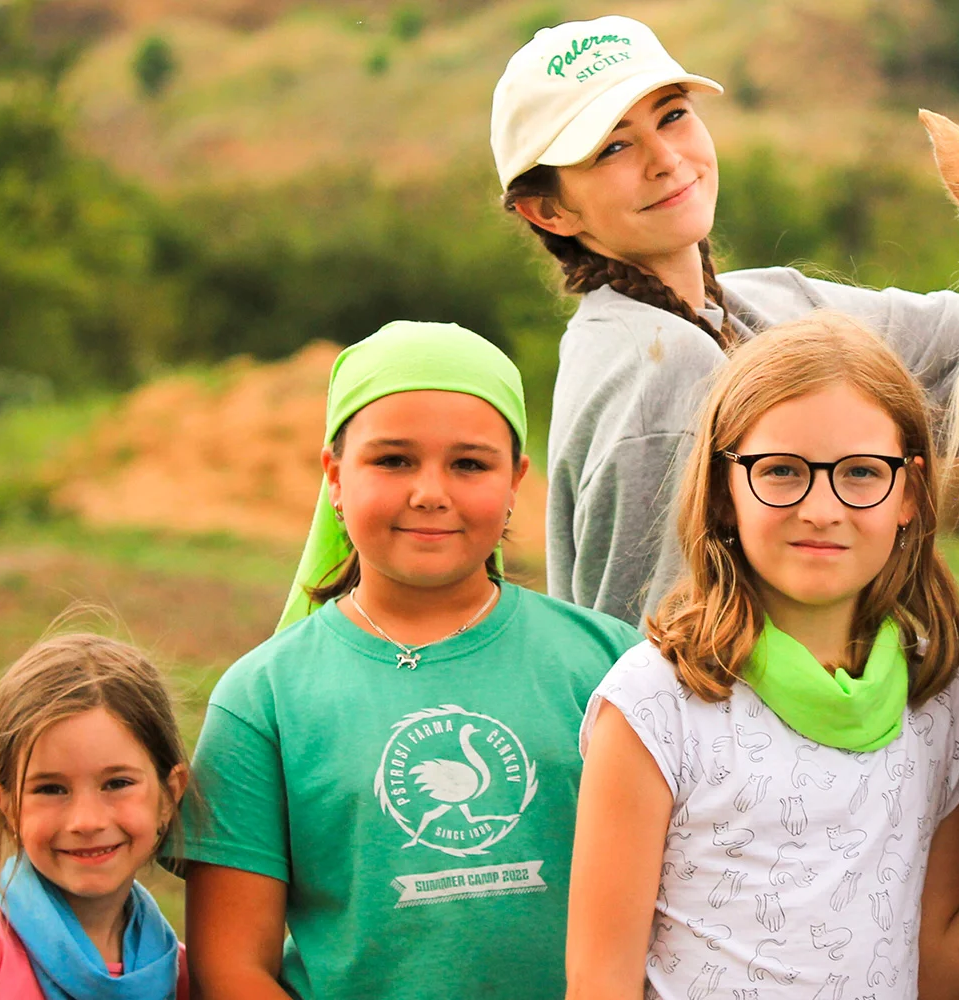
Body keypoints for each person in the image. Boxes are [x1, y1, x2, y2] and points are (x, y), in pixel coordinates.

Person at [564, 316, 959, 1000]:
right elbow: (601, 985)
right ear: (722, 489)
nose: (821, 508)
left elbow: (931, 965)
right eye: (781, 472)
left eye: (861, 473)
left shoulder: (941, 704)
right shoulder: (656, 701)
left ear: (911, 493)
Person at [177, 321, 642, 1000]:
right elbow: (232, 969)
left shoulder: (611, 664)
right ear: (335, 477)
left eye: (469, 464)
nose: (431, 492)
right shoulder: (263, 698)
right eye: (393, 460)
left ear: (516, 480)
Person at [492, 15, 959, 625]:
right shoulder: (660, 371)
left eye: (671, 115)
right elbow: (652, 663)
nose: (665, 159)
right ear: (550, 210)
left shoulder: (761, 307)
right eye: (613, 147)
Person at [0, 632, 191, 1000]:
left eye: (117, 783)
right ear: (8, 807)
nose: (86, 821)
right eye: (51, 789)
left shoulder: (184, 976)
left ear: (168, 795)